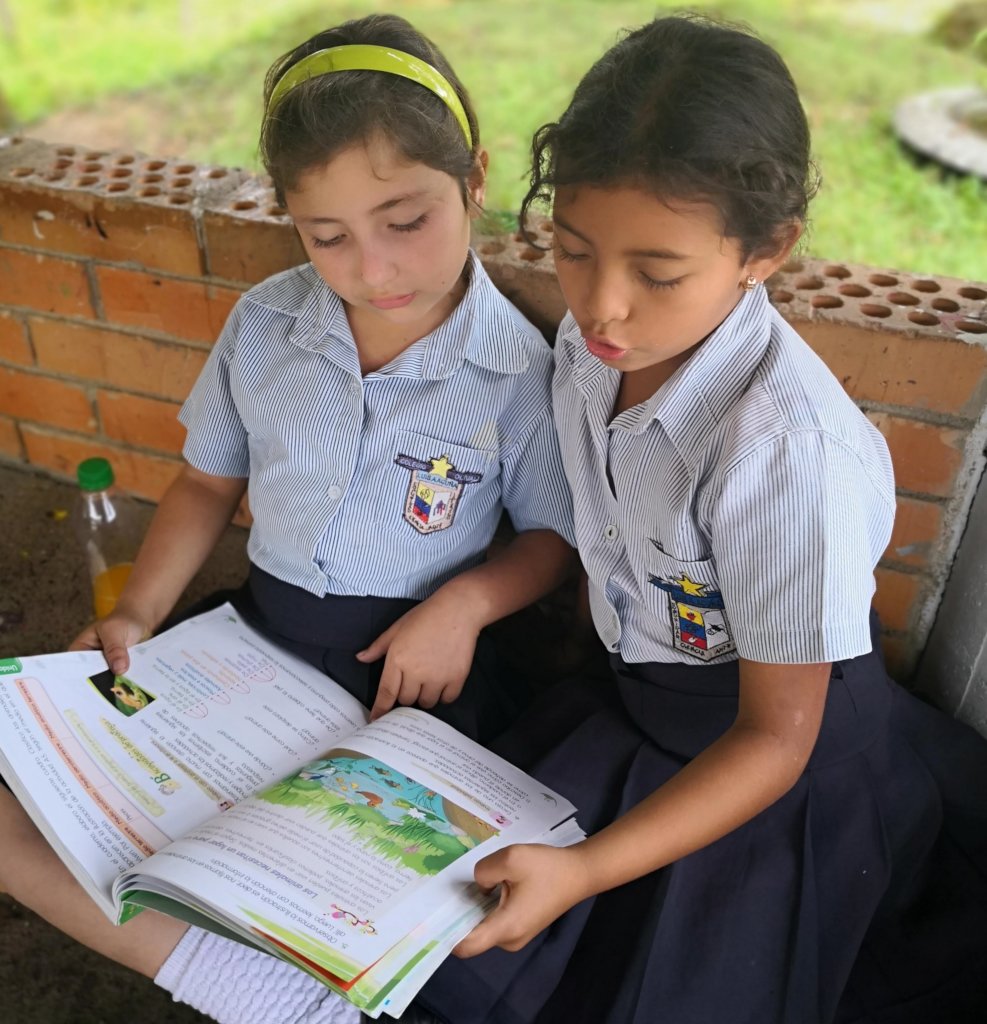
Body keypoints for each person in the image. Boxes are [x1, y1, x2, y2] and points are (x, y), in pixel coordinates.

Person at [410, 14, 987, 1024]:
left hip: (774, 757)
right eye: (574, 251)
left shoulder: (781, 453)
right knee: (448, 950)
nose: (604, 308)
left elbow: (775, 738)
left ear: (767, 251)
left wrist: (586, 867)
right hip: (641, 702)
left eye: (659, 273)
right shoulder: (594, 363)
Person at [0, 13, 574, 1024]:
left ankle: (275, 988)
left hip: (411, 678)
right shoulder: (265, 324)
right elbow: (206, 485)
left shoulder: (514, 368)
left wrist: (469, 602)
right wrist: (137, 613)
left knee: (355, 896)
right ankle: (229, 972)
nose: (375, 267)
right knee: (51, 820)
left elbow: (550, 541)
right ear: (289, 219)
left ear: (473, 178)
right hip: (253, 639)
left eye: (407, 218)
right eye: (328, 236)